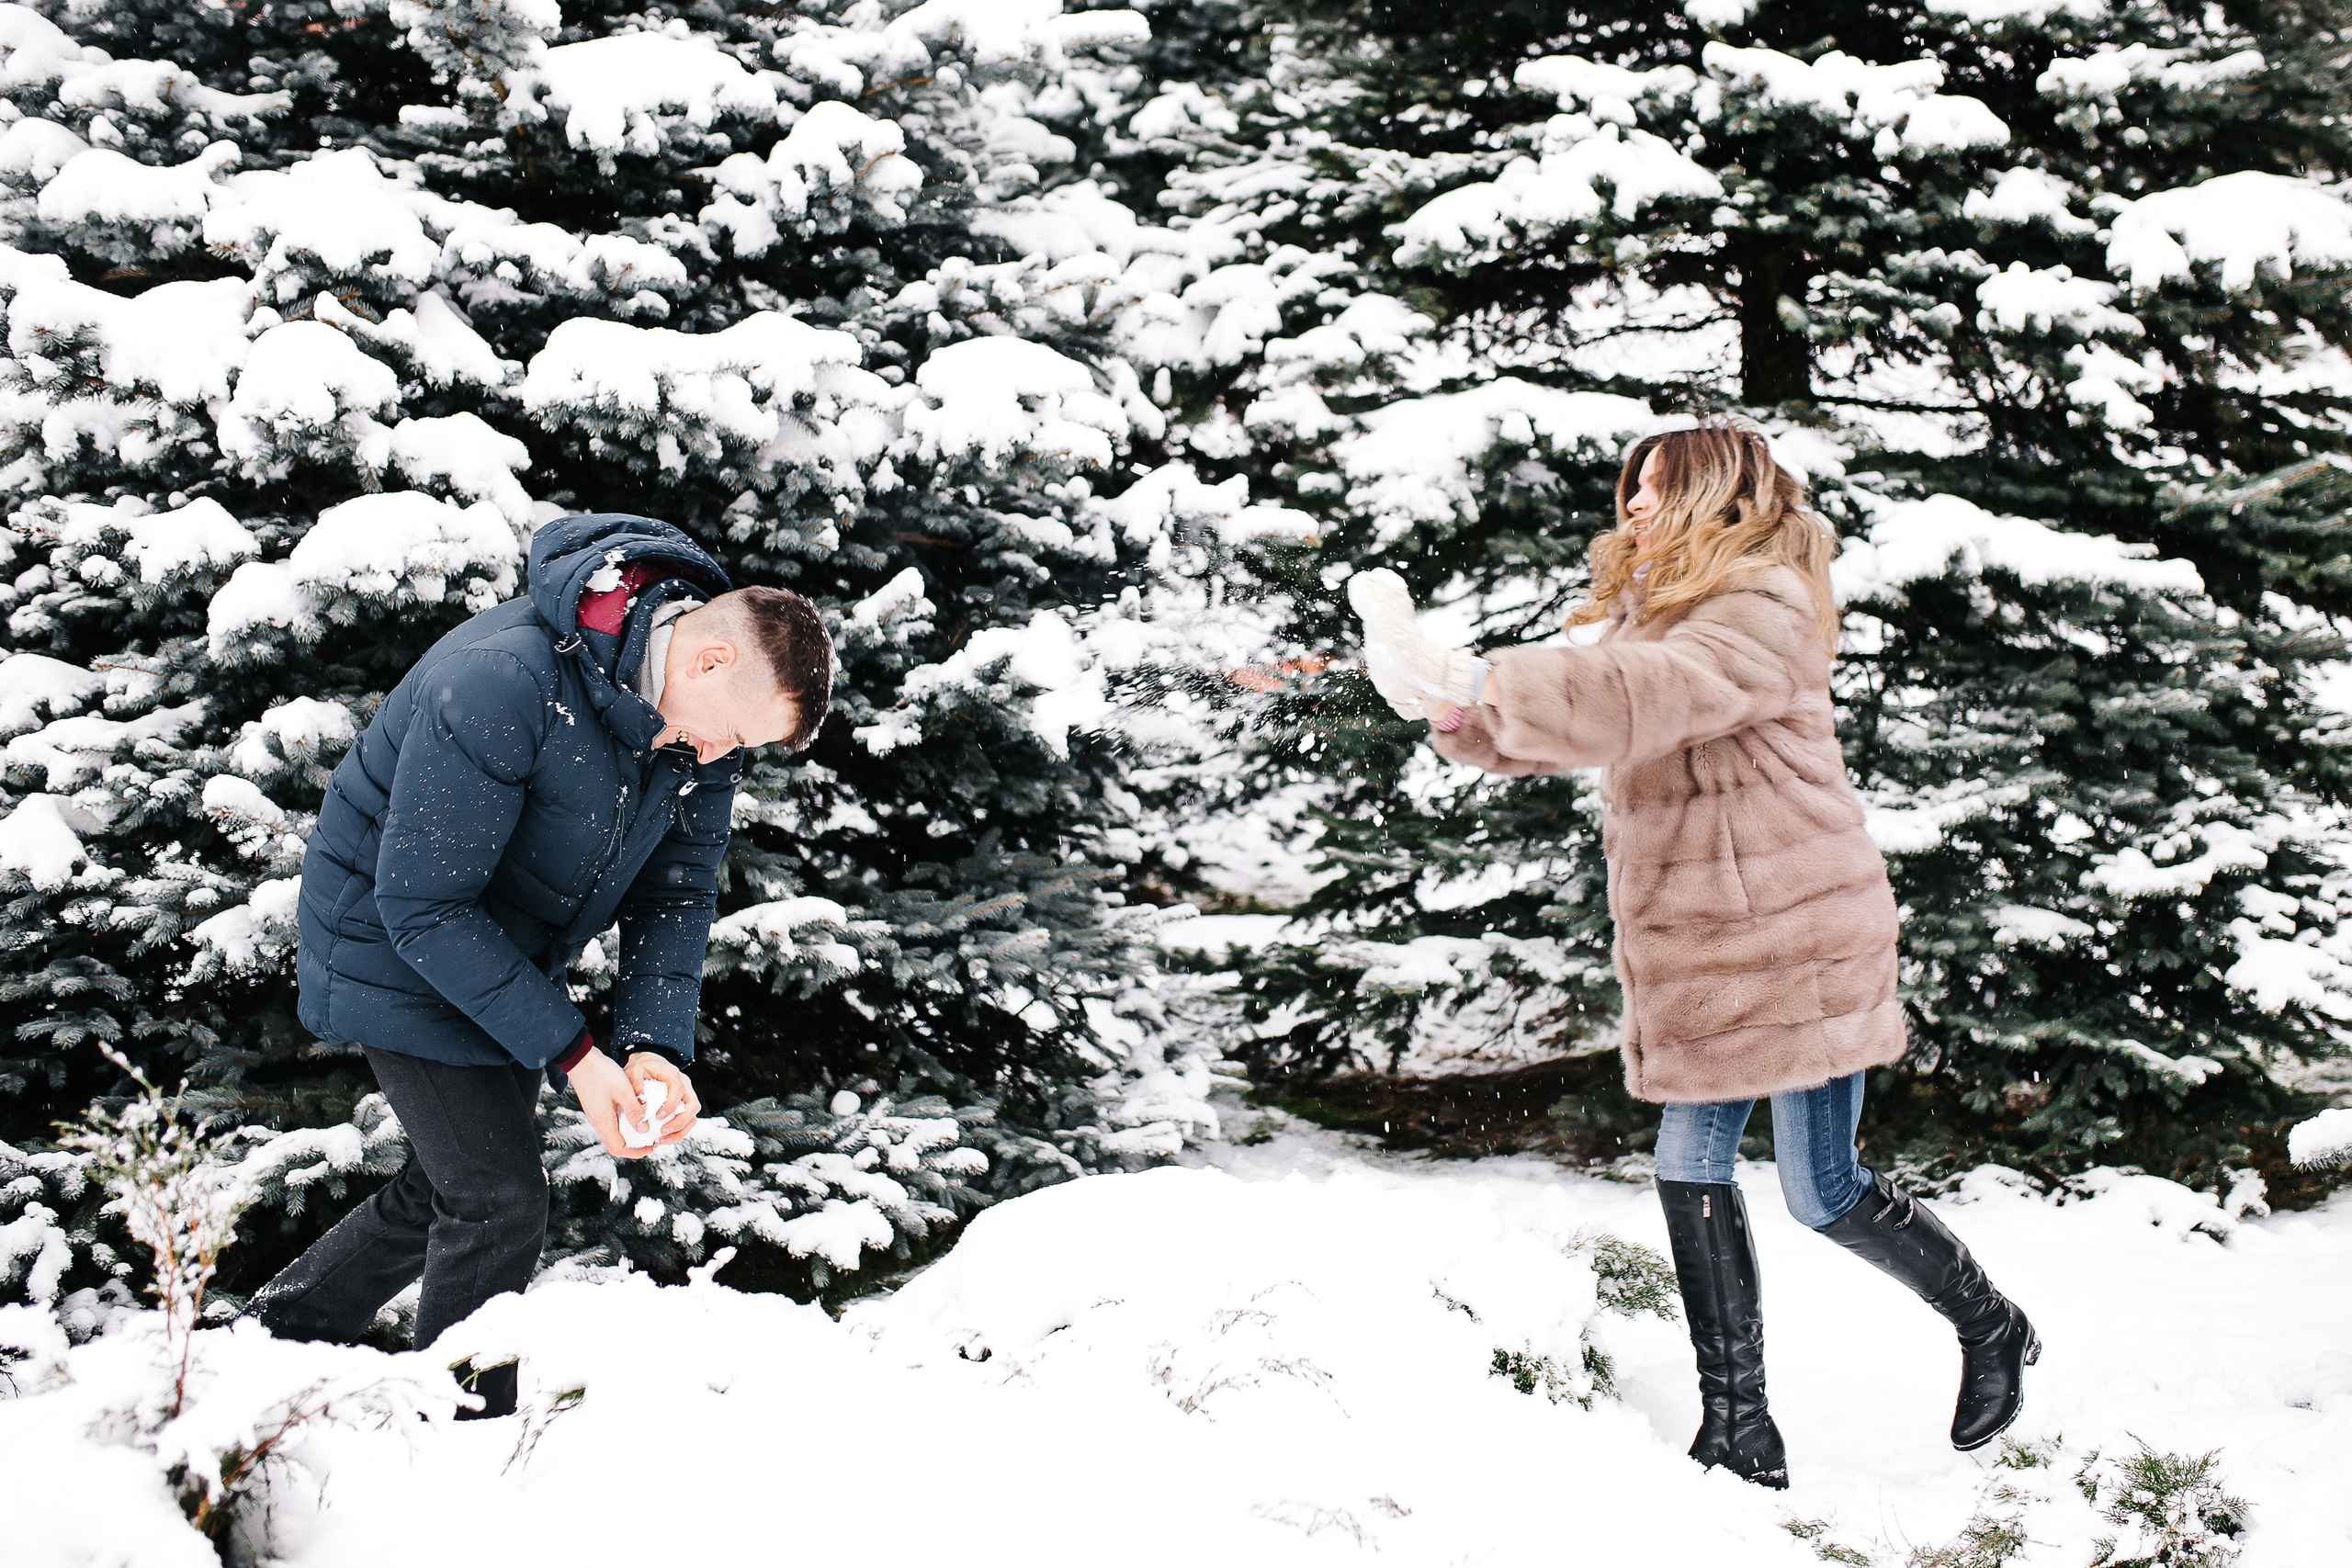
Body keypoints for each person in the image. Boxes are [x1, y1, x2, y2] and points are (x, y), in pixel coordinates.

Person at [1348, 420, 2037, 1489]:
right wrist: (1454, 707)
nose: (1633, 505)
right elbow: (1603, 711)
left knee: (1823, 1192)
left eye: (1658, 487)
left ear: (1721, 499)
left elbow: (1644, 692)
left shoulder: (1761, 609)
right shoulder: (1662, 616)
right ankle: (1738, 1426)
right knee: (1690, 1161)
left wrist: (1477, 672)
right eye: (1630, 487)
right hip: (1712, 952)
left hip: (1796, 939)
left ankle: (1993, 1327)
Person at [248, 512, 834, 1417]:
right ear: (709, 660)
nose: (726, 757)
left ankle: (263, 1344)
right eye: (737, 736)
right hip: (391, 935)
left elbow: (674, 894)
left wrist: (651, 1046)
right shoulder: (504, 683)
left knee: (456, 1185)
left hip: (497, 948)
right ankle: (463, 1438)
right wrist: (576, 1056)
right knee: (496, 1202)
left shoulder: (690, 733)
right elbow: (424, 908)